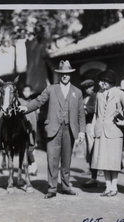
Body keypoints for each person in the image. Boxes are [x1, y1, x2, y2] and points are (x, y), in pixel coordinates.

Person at [19, 60, 86, 199]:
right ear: (59, 75)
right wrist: (26, 107)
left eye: (67, 74)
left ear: (70, 75)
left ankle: (66, 186)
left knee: (66, 160)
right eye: (62, 74)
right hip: (53, 128)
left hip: (70, 129)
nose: (65, 76)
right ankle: (52, 188)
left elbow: (81, 114)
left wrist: (81, 131)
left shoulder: (77, 92)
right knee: (52, 159)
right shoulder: (51, 89)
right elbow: (38, 101)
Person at [90, 70, 124, 197]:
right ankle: (108, 187)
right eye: (101, 82)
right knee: (103, 160)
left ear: (110, 82)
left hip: (114, 131)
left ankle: (114, 187)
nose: (101, 84)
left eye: (103, 81)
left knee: (113, 161)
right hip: (100, 131)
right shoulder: (98, 94)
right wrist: (92, 127)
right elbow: (96, 113)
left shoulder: (119, 94)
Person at [79, 79, 98, 188]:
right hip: (86, 125)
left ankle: (94, 175)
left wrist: (85, 108)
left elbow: (94, 108)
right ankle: (91, 171)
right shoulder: (83, 97)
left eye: (91, 87)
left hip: (92, 124)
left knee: (92, 149)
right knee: (88, 149)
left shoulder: (95, 96)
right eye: (88, 88)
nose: (90, 89)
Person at [19, 85, 38, 176]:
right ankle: (33, 167)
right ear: (22, 92)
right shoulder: (19, 101)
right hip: (22, 129)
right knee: (25, 149)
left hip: (32, 129)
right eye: (24, 91)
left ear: (31, 92)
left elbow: (35, 117)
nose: (26, 93)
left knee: (31, 148)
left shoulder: (34, 102)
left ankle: (33, 167)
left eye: (28, 91)